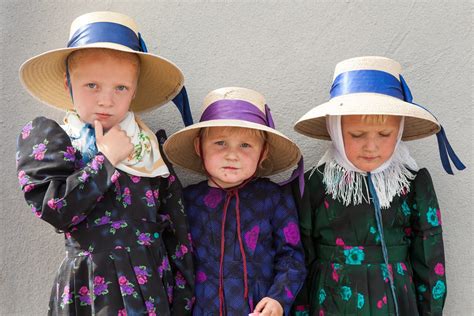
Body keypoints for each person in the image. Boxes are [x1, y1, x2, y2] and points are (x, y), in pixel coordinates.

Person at [16, 11, 195, 315]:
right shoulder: (54, 139)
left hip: (151, 288)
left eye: (120, 88)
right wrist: (106, 160)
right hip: (89, 290)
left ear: (134, 91)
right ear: (67, 83)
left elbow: (177, 231)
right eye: (92, 86)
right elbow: (55, 210)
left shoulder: (150, 148)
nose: (106, 100)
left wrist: (182, 300)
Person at [291, 56, 465, 316]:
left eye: (384, 135)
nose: (371, 147)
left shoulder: (412, 184)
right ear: (335, 130)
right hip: (333, 300)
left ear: (399, 133)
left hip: (395, 303)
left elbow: (429, 255)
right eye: (357, 135)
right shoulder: (315, 183)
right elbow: (300, 253)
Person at [164, 87, 307, 315]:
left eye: (245, 145)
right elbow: (175, 260)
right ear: (198, 147)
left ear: (264, 152)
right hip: (201, 307)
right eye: (220, 143)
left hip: (258, 308)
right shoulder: (187, 200)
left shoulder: (273, 197)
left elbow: (292, 256)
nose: (232, 155)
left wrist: (279, 299)